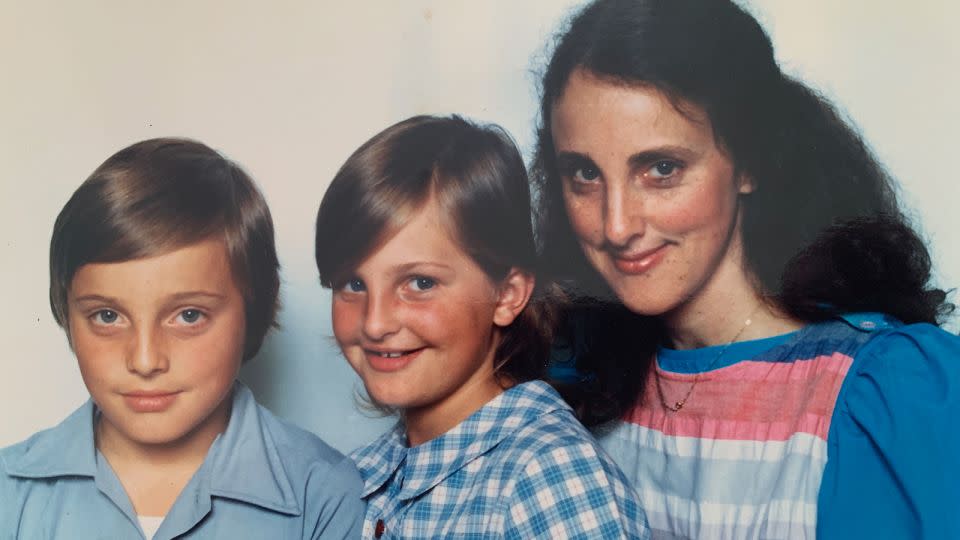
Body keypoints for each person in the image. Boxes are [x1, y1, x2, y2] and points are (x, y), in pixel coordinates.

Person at [531, 0, 960, 538]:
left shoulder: (885, 392)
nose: (616, 226)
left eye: (661, 169)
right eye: (584, 175)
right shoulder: (572, 387)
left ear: (750, 163)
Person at [0, 138, 364, 539]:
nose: (144, 360)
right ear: (66, 312)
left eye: (188, 316)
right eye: (108, 316)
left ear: (254, 309)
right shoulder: (9, 491)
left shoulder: (326, 497)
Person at [315, 115, 649, 539]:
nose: (376, 322)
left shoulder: (550, 476)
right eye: (353, 284)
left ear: (507, 294)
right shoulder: (360, 475)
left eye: (420, 283)